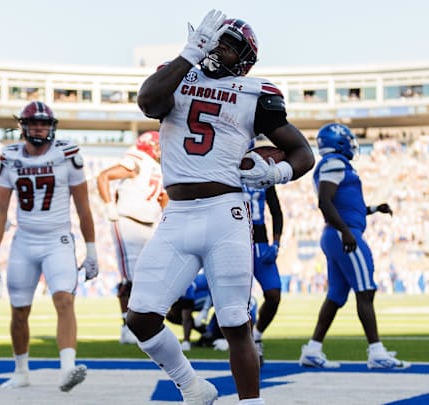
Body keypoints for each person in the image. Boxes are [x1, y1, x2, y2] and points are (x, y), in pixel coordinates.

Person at [127, 10, 315, 405]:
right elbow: (147, 101)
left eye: (229, 47)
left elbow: (302, 152)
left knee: (234, 322)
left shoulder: (254, 93)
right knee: (140, 317)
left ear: (244, 60)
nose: (218, 49)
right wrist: (188, 54)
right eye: (216, 41)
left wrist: (277, 174)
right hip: (176, 214)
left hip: (225, 211)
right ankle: (192, 386)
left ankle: (252, 402)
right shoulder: (176, 75)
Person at [0, 101, 98, 392]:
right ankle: (21, 371)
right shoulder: (9, 157)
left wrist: (92, 249)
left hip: (58, 239)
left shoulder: (67, 153)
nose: (39, 128)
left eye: (44, 123)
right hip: (23, 240)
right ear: (22, 126)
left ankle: (68, 369)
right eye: (34, 123)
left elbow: (83, 207)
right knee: (19, 310)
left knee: (64, 299)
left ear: (52, 126)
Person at [299, 123, 410, 370]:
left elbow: (346, 204)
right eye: (348, 140)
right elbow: (325, 202)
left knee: (336, 296)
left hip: (339, 232)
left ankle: (313, 349)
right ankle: (376, 352)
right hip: (343, 234)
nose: (351, 144)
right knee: (366, 290)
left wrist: (373, 209)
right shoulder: (334, 163)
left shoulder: (336, 164)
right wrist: (346, 231)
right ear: (339, 142)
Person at [96, 130, 167, 345]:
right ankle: (128, 326)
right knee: (132, 278)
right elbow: (104, 176)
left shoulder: (158, 167)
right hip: (128, 221)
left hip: (148, 223)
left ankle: (140, 324)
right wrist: (110, 207)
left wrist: (166, 218)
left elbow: (164, 198)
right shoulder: (138, 158)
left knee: (148, 277)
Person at [244, 180, 283, 367]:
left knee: (274, 294)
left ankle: (256, 336)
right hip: (234, 241)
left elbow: (276, 210)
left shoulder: (262, 172)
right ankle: (245, 345)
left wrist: (276, 242)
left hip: (260, 241)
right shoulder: (227, 168)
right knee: (240, 298)